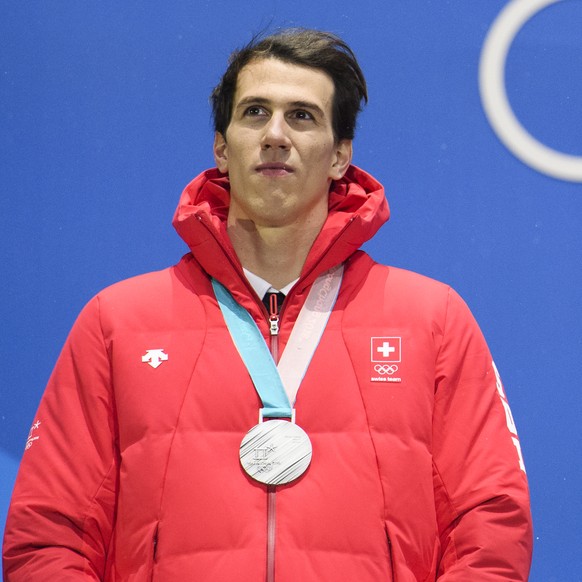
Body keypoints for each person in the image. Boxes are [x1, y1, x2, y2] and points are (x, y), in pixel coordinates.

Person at [3, 28, 532, 581]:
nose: (275, 134)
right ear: (221, 147)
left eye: (302, 116)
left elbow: (490, 529)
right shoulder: (118, 322)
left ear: (340, 155)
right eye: (255, 112)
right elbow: (48, 537)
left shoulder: (432, 320)